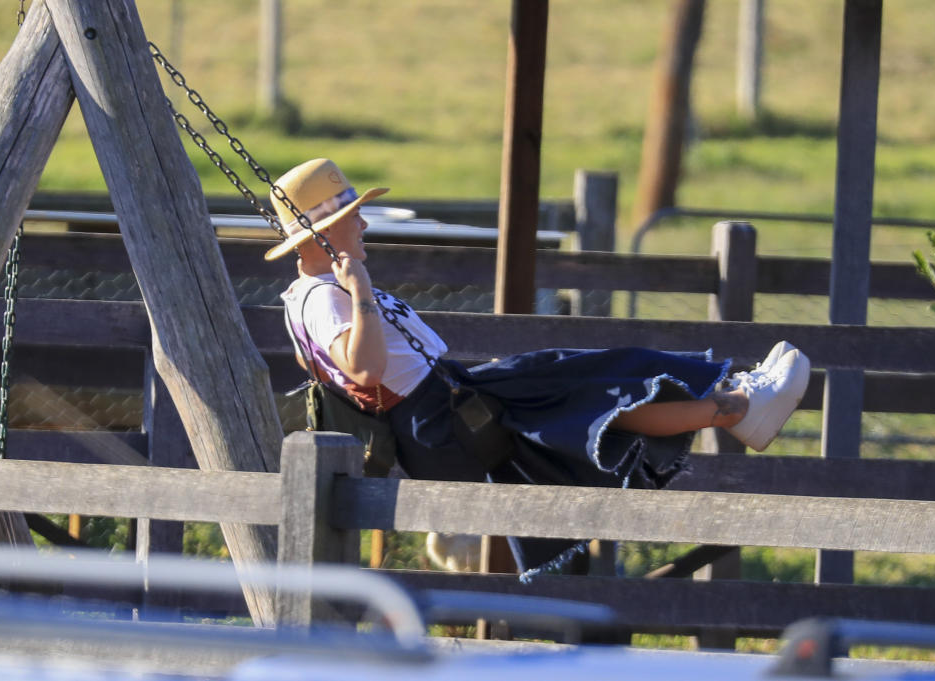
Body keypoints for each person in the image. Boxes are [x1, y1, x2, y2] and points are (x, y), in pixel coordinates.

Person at [269, 159, 811, 578]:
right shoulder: (323, 298)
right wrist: (360, 288)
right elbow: (363, 372)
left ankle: (734, 408)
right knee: (585, 382)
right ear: (320, 233)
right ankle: (735, 407)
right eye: (349, 216)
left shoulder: (319, 293)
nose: (362, 221)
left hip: (445, 407)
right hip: (438, 423)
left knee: (591, 395)